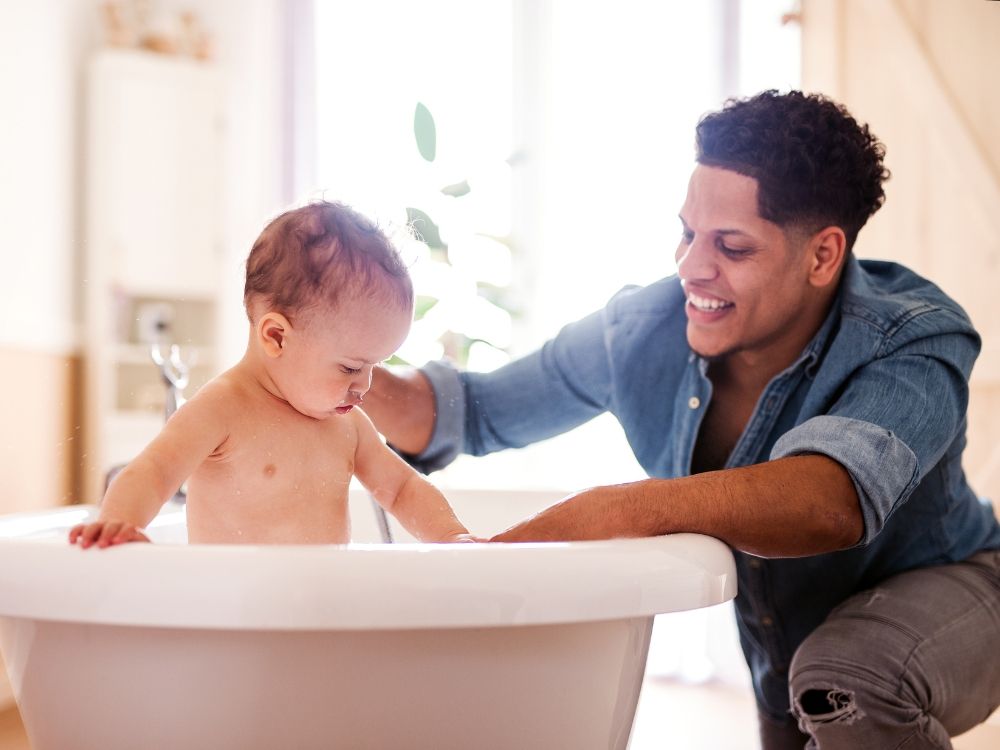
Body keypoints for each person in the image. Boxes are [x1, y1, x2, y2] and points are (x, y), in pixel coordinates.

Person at [362, 91, 1000, 749]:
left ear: (823, 256)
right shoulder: (641, 329)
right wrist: (332, 360)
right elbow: (466, 412)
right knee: (822, 678)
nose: (691, 265)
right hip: (788, 657)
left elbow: (827, 504)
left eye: (731, 246)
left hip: (960, 596)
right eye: (688, 232)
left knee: (847, 674)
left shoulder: (914, 336)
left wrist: (618, 512)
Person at [70, 201, 473, 548]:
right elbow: (154, 471)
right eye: (351, 367)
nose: (365, 384)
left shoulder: (349, 427)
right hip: (233, 614)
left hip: (317, 613)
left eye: (376, 366)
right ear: (277, 336)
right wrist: (119, 522)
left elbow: (403, 489)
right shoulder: (221, 408)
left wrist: (452, 536)